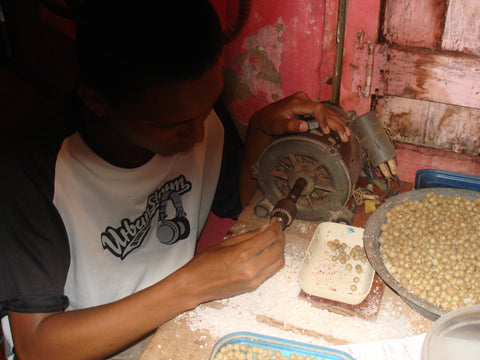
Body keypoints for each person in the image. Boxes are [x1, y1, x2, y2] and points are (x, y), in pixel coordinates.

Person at [0, 1, 351, 359]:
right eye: (174, 125)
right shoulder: (32, 169)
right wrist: (193, 284)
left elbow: (241, 199)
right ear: (96, 100)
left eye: (207, 107)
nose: (197, 135)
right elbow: (37, 346)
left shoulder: (198, 114)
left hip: (172, 324)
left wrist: (259, 130)